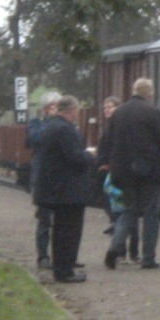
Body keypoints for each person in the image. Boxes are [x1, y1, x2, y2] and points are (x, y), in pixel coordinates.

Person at [103, 77, 160, 270]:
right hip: (150, 171)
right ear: (149, 93)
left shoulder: (118, 113)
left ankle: (115, 247)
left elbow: (109, 140)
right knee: (151, 213)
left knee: (128, 210)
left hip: (123, 172)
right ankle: (148, 258)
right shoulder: (153, 112)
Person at [31, 95, 97, 283]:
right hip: (67, 192)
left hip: (55, 189)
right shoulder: (64, 130)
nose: (78, 113)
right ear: (72, 110)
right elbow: (75, 157)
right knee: (68, 231)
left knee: (61, 230)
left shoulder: (51, 126)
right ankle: (65, 271)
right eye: (77, 110)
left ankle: (63, 268)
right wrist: (90, 155)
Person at [97, 95, 139, 261]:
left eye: (111, 107)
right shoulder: (108, 129)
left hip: (119, 174)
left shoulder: (119, 128)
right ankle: (122, 250)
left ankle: (131, 251)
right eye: (105, 108)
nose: (107, 110)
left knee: (127, 212)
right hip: (109, 174)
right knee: (120, 213)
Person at [27, 91, 61, 269]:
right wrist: (50, 121)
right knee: (45, 220)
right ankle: (43, 256)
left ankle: (62, 256)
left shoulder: (64, 124)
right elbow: (36, 139)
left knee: (62, 221)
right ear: (46, 108)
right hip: (42, 178)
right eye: (54, 106)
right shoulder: (36, 123)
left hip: (60, 178)